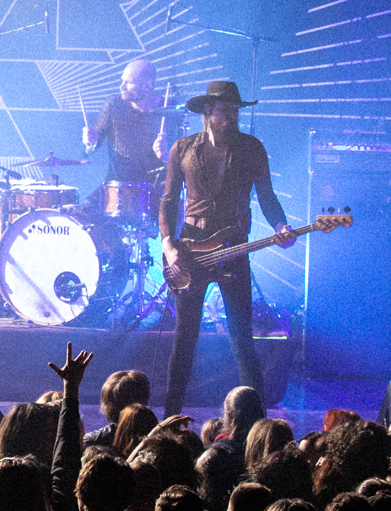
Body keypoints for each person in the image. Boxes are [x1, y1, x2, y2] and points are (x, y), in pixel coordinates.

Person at [156, 80, 292, 420]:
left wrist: (280, 226)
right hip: (190, 251)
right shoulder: (183, 149)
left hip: (234, 250)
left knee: (242, 341)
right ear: (207, 110)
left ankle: (258, 423)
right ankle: (170, 419)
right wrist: (168, 245)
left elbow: (267, 196)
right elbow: (169, 201)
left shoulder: (251, 148)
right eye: (225, 110)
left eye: (236, 110)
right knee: (184, 340)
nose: (232, 116)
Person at [82, 57, 172, 187]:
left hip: (156, 186)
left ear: (147, 86)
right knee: (86, 207)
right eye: (122, 81)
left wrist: (166, 156)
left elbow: (180, 159)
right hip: (117, 186)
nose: (121, 87)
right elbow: (92, 146)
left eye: (128, 82)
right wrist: (90, 142)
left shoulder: (169, 109)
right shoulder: (114, 104)